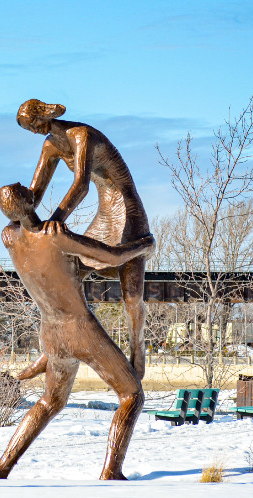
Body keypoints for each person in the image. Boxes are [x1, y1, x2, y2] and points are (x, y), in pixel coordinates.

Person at [0, 183, 154, 480]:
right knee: (131, 395)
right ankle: (111, 471)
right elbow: (113, 257)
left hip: (50, 332)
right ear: (30, 200)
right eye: (28, 190)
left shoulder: (9, 238)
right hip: (79, 329)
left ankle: (1, 469)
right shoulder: (56, 237)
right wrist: (143, 245)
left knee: (49, 401)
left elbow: (65, 267)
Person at [18, 99, 152, 379]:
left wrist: (55, 221)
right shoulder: (50, 145)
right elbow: (35, 191)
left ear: (42, 117)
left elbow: (81, 185)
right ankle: (53, 349)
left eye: (31, 124)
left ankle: (138, 349)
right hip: (106, 212)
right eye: (27, 128)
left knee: (131, 294)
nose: (31, 131)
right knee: (68, 276)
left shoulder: (82, 136)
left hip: (127, 210)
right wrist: (18, 214)